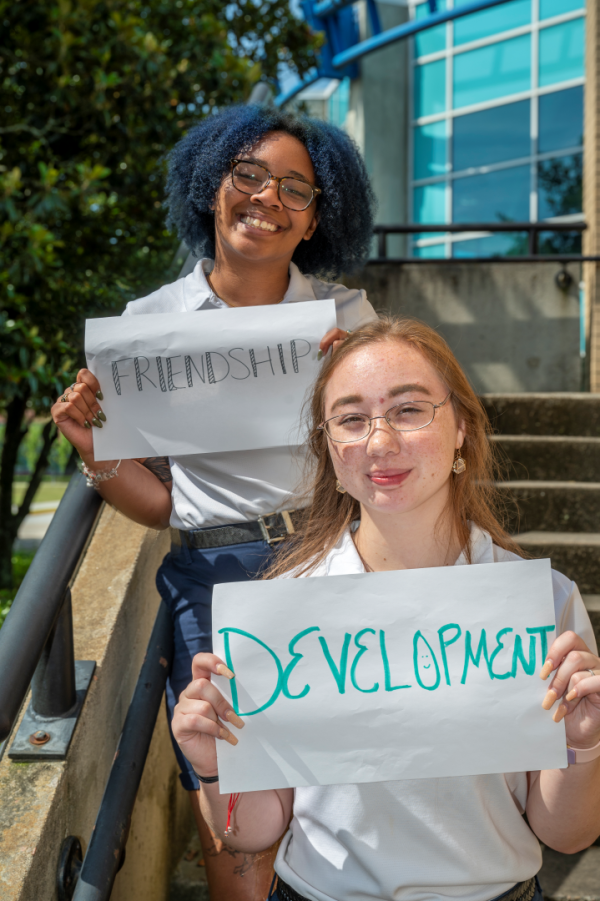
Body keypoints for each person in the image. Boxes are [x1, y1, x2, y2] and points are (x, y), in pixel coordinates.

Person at [50, 104, 378, 899]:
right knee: (235, 821)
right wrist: (96, 453)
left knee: (340, 806)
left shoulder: (348, 318)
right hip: (214, 579)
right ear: (211, 188)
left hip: (335, 564)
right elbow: (163, 507)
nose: (267, 197)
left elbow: (386, 464)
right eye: (249, 175)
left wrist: (354, 391)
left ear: (314, 220)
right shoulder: (146, 328)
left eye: (295, 188)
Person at [171, 316, 600, 901]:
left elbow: (566, 834)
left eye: (409, 410)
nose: (379, 442)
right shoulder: (284, 606)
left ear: (461, 430)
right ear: (330, 448)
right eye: (351, 419)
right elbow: (255, 832)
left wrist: (586, 744)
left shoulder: (543, 603)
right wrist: (214, 762)